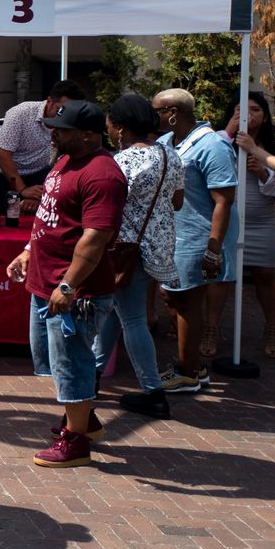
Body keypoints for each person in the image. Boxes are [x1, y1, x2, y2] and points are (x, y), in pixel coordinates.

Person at [6, 99, 127, 468]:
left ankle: (76, 441)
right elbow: (49, 214)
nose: (53, 135)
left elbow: (96, 237)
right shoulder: (65, 161)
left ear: (88, 136)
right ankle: (82, 418)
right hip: (46, 281)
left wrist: (69, 286)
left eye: (61, 130)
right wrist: (28, 251)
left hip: (76, 291)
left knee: (72, 362)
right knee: (54, 361)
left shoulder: (102, 174)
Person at [96, 93, 181, 420]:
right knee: (116, 313)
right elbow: (177, 202)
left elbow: (107, 208)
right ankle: (94, 373)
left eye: (109, 122)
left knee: (131, 319)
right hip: (157, 247)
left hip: (125, 250)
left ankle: (153, 392)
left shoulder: (120, 162)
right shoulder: (170, 155)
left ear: (119, 127)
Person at [154, 87, 237, 392]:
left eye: (158, 111)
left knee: (188, 301)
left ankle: (187, 372)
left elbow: (224, 200)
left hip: (199, 238)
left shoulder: (211, 145)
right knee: (175, 297)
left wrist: (213, 249)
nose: (155, 117)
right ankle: (193, 367)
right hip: (173, 235)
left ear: (173, 113)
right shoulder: (165, 142)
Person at [224, 92, 275, 359]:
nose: (248, 115)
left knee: (265, 276)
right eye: (242, 110)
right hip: (227, 221)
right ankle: (209, 327)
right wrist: (230, 133)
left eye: (255, 109)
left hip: (262, 222)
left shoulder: (274, 149)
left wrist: (263, 173)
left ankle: (273, 327)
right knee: (221, 278)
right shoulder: (222, 143)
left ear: (264, 115)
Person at [0, 80, 85, 220]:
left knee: (39, 220)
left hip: (38, 172)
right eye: (60, 110)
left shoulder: (72, 121)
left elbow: (65, 159)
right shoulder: (21, 113)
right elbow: (2, 155)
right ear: (49, 101)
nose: (64, 116)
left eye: (69, 112)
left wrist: (40, 193)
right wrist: (22, 189)